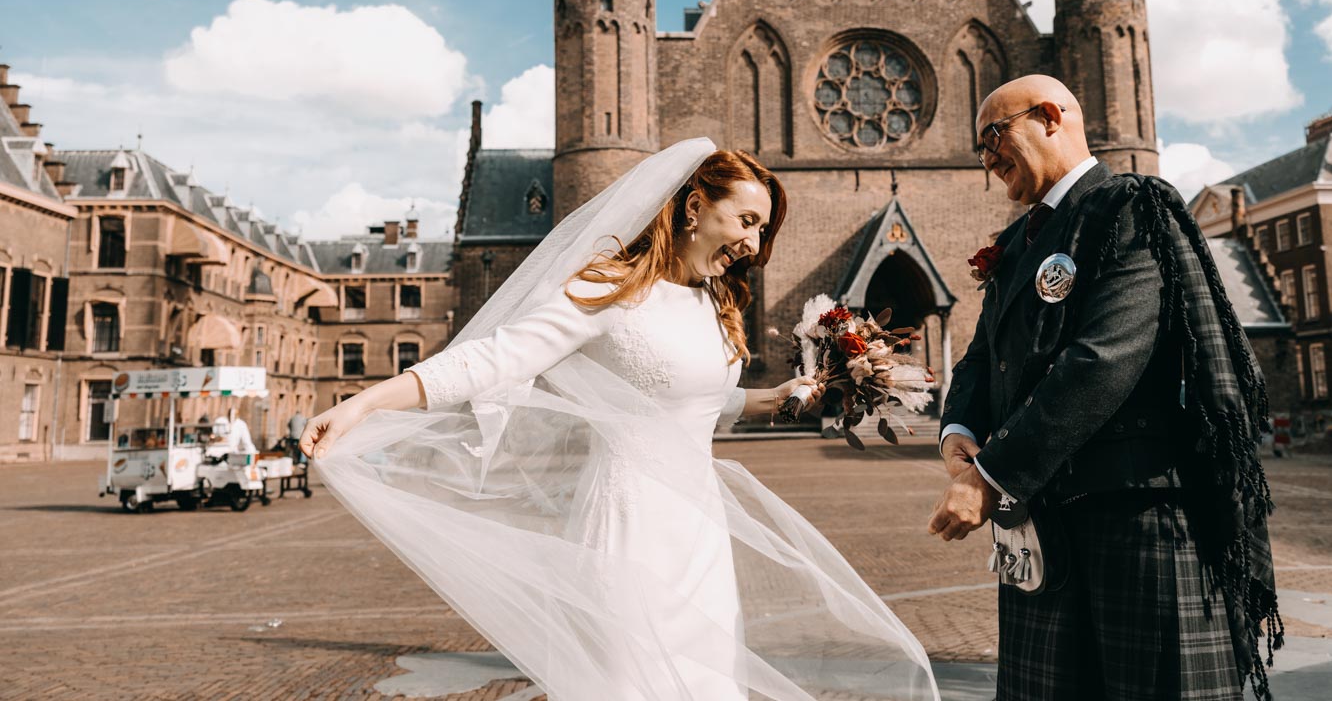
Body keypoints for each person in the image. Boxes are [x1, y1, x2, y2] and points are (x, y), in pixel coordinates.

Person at [301, 140, 938, 701]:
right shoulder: (611, 288)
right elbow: (494, 359)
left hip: (699, 527)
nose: (753, 242)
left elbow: (697, 400)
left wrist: (779, 396)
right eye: (745, 220)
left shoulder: (713, 300)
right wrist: (363, 403)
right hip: (631, 523)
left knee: (703, 678)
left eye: (761, 228)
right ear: (694, 208)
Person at [928, 75, 1282, 700]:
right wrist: (958, 433)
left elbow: (1104, 358)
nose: (987, 161)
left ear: (1048, 116)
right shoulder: (1014, 244)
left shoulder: (1130, 206)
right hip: (1042, 525)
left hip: (1138, 519)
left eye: (993, 136)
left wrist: (991, 476)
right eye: (980, 150)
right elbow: (982, 356)